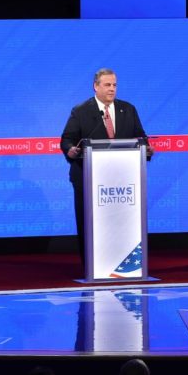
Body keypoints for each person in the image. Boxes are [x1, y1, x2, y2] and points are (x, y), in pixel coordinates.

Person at [60, 68, 153, 273]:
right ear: (96, 86)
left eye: (114, 85)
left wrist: (147, 148)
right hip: (88, 178)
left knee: (121, 224)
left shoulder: (127, 109)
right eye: (107, 85)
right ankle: (92, 268)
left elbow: (141, 137)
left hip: (123, 180)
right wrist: (72, 150)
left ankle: (123, 267)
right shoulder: (81, 111)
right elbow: (66, 139)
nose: (112, 89)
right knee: (89, 225)